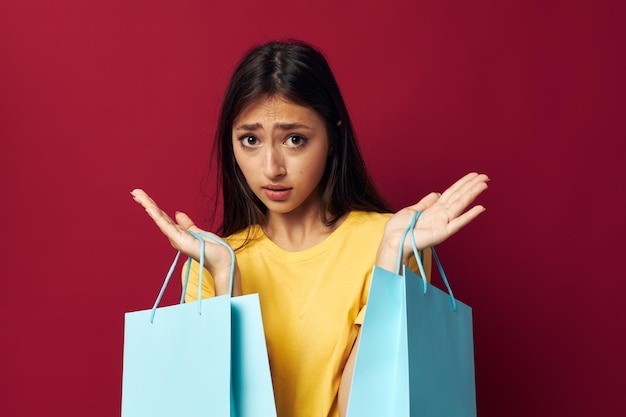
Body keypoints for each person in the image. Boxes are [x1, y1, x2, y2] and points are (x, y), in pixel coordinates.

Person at [131, 39, 488, 417]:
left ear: (332, 138)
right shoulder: (210, 262)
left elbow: (371, 408)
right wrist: (226, 279)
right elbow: (216, 409)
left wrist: (390, 260)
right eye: (250, 140)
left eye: (294, 140)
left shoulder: (392, 242)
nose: (272, 167)